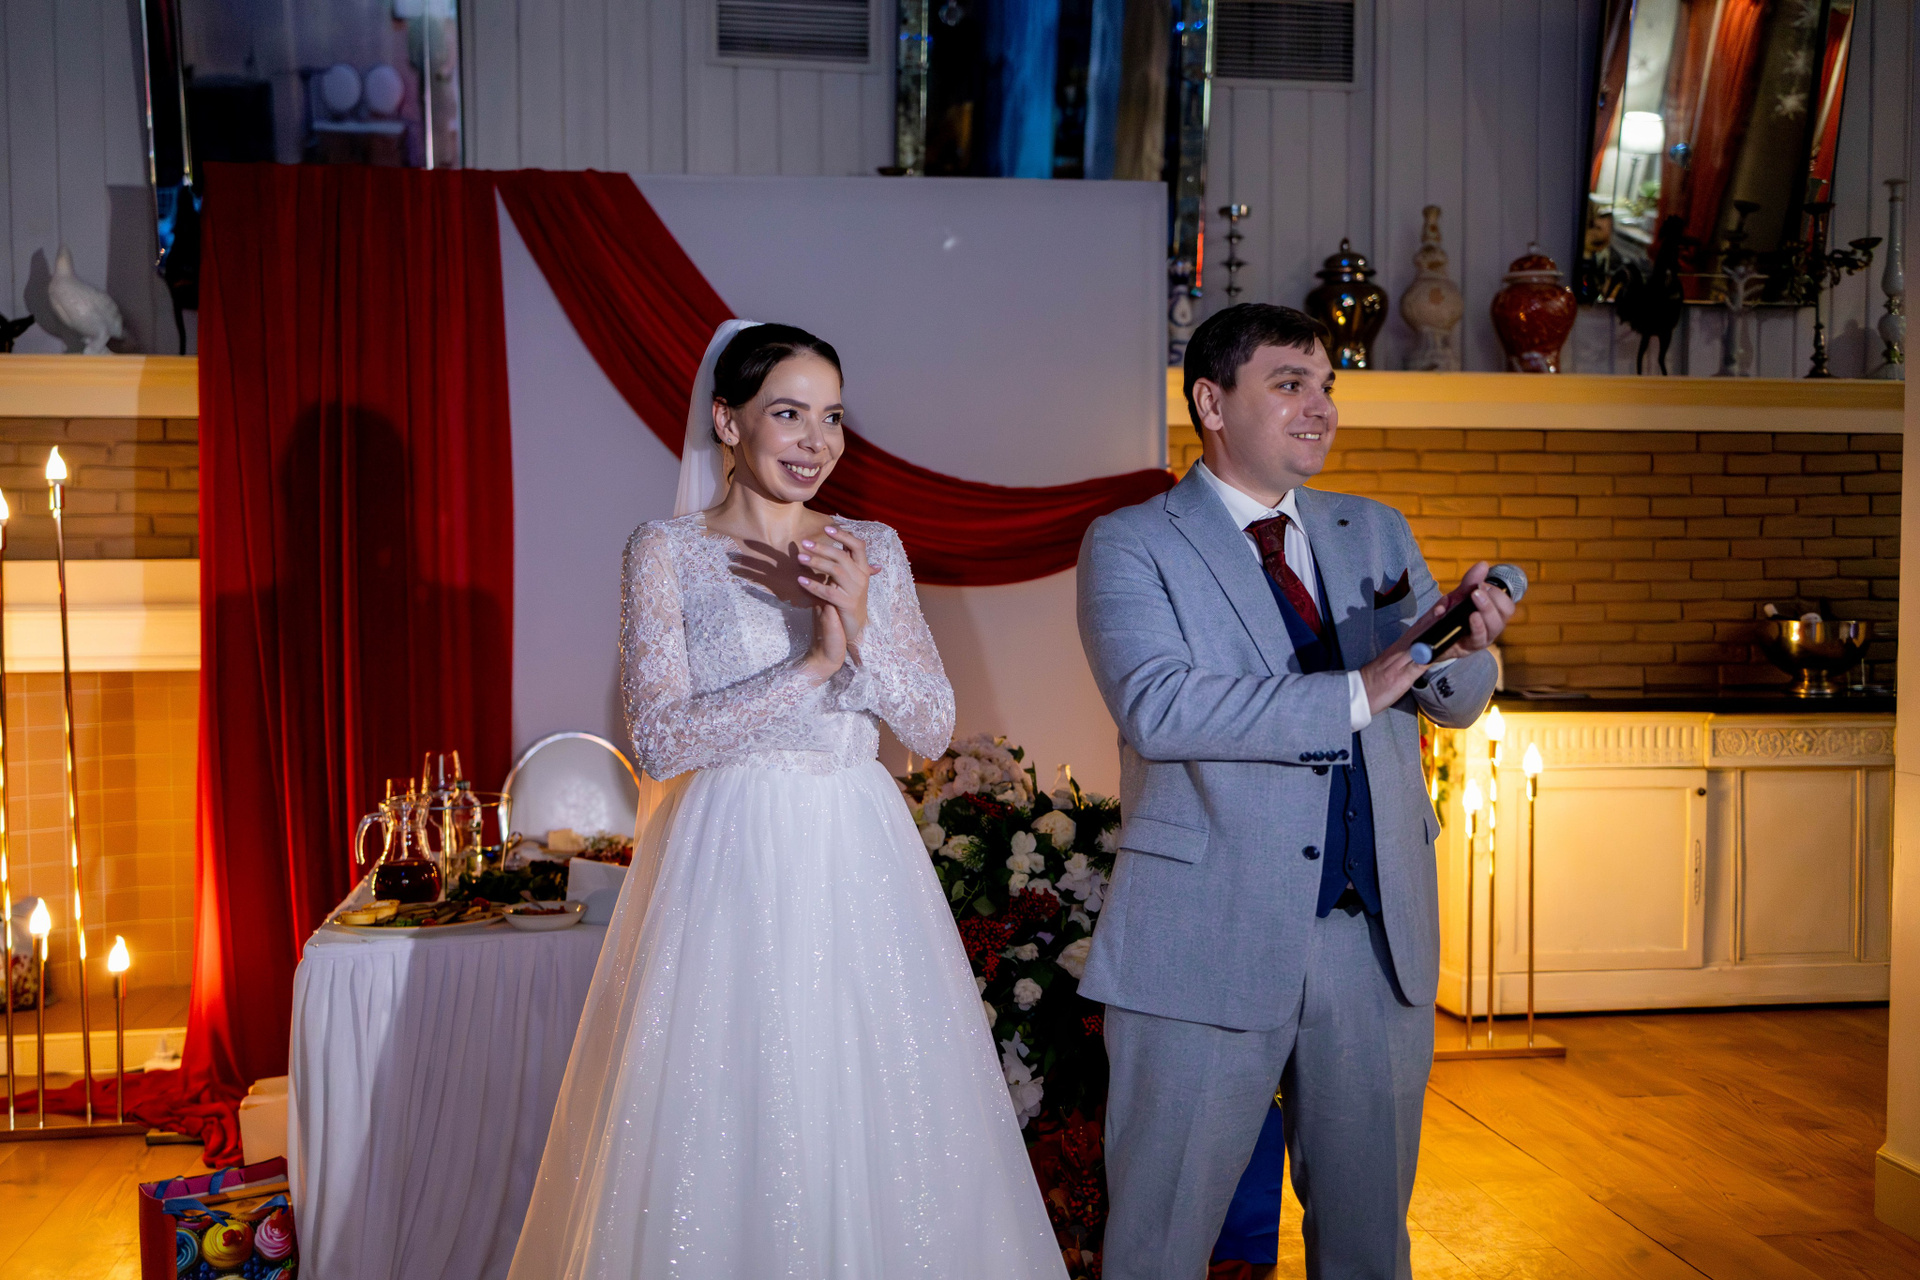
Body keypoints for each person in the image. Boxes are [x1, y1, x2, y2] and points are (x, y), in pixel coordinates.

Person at [508, 321, 1067, 1280]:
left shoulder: (869, 547)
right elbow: (660, 741)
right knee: (737, 1099)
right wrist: (812, 664)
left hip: (858, 847)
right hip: (729, 856)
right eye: (790, 414)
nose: (817, 441)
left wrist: (860, 620)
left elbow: (932, 725)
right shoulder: (666, 550)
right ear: (728, 422)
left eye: (833, 418)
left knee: (874, 1101)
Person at [1075, 303, 1513, 1279]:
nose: (1321, 408)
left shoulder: (1375, 527)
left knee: (1369, 1248)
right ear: (1211, 402)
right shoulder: (1132, 541)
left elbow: (1452, 702)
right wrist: (1360, 688)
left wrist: (1462, 646)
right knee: (1157, 1246)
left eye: (1326, 386)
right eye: (1289, 384)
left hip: (1374, 943)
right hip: (1205, 937)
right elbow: (1159, 705)